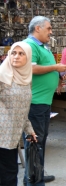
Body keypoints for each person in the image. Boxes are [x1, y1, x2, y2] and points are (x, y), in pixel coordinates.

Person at [23, 16, 66, 185]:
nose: (51, 32)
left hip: (43, 102)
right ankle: (33, 180)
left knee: (40, 140)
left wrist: (60, 73)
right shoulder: (30, 45)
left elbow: (45, 67)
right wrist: (56, 68)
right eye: (48, 28)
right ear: (38, 28)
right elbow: (32, 68)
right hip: (34, 103)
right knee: (34, 142)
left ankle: (37, 174)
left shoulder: (43, 46)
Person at [0, 42, 37, 186]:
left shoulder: (26, 80)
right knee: (8, 176)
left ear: (28, 58)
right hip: (2, 134)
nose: (16, 57)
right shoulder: (2, 76)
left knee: (9, 174)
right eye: (13, 53)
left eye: (21, 54)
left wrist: (29, 130)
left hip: (11, 137)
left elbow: (23, 110)